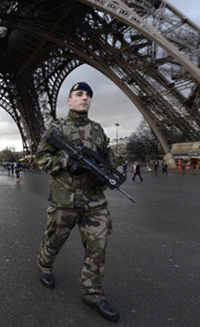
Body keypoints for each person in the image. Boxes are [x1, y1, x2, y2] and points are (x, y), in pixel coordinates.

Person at [35, 82, 120, 321]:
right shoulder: (56, 128)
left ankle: (92, 292)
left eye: (88, 95)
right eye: (79, 94)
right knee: (54, 241)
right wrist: (65, 163)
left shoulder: (98, 130)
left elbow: (108, 160)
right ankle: (44, 265)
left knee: (97, 249)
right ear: (69, 101)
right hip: (64, 199)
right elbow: (41, 158)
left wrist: (106, 167)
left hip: (94, 201)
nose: (84, 98)